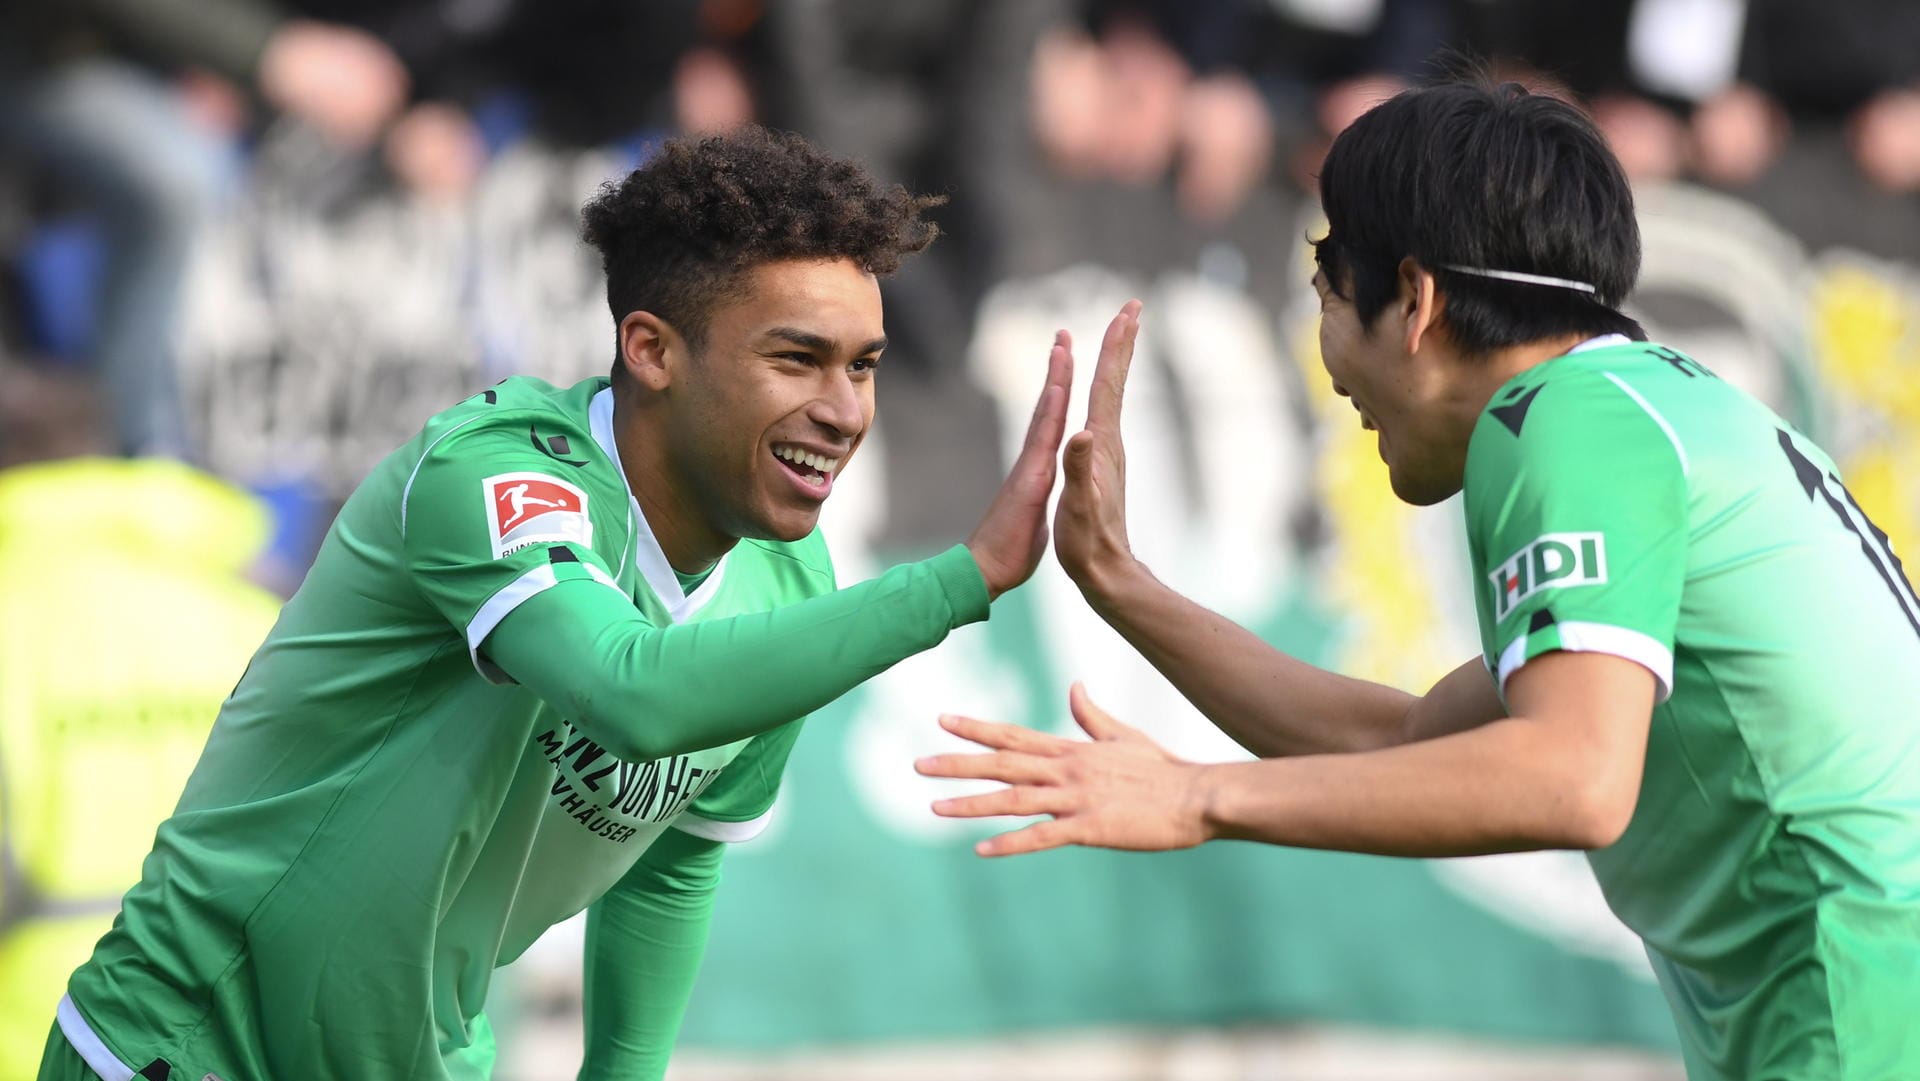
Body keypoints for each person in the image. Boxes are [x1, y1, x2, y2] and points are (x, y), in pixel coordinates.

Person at [917, 81, 1920, 1081]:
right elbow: (1400, 740)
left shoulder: (1565, 421)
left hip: (1861, 1010)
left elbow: (1571, 777)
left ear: (1416, 300)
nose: (1330, 366)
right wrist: (1123, 583)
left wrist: (1198, 798)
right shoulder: (1652, 405)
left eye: (1326, 296)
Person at [40, 127, 1075, 1081]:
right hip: (189, 1046)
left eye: (863, 366)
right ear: (652, 349)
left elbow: (673, 863)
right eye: (795, 358)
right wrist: (962, 580)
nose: (845, 411)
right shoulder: (493, 473)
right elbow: (628, 692)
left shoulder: (789, 582)